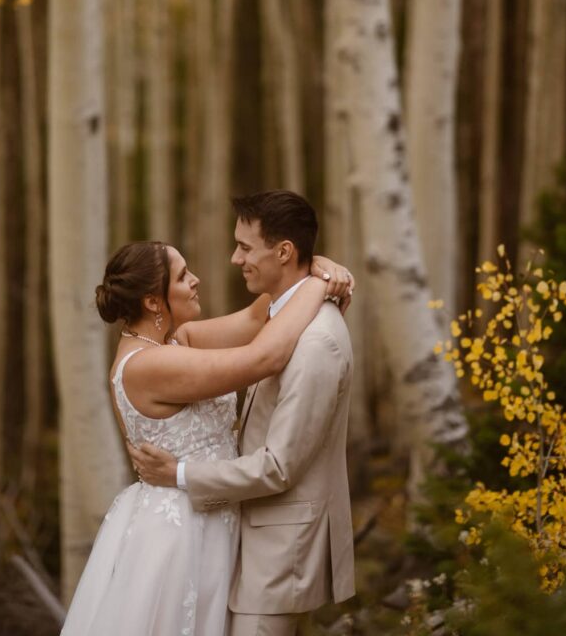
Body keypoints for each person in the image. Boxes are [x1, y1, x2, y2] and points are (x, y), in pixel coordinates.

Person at [60, 229, 352, 636]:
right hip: (180, 532)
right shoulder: (149, 367)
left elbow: (258, 316)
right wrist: (321, 284)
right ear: (152, 300)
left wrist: (312, 265)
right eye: (182, 277)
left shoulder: (175, 341)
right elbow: (262, 357)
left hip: (215, 518)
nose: (195, 279)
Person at [131, 190, 355, 636]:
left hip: (276, 556)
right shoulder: (279, 319)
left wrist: (178, 473)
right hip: (229, 545)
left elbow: (277, 465)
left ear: (285, 251)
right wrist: (319, 272)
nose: (235, 259)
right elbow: (254, 347)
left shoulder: (314, 342)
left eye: (245, 247)